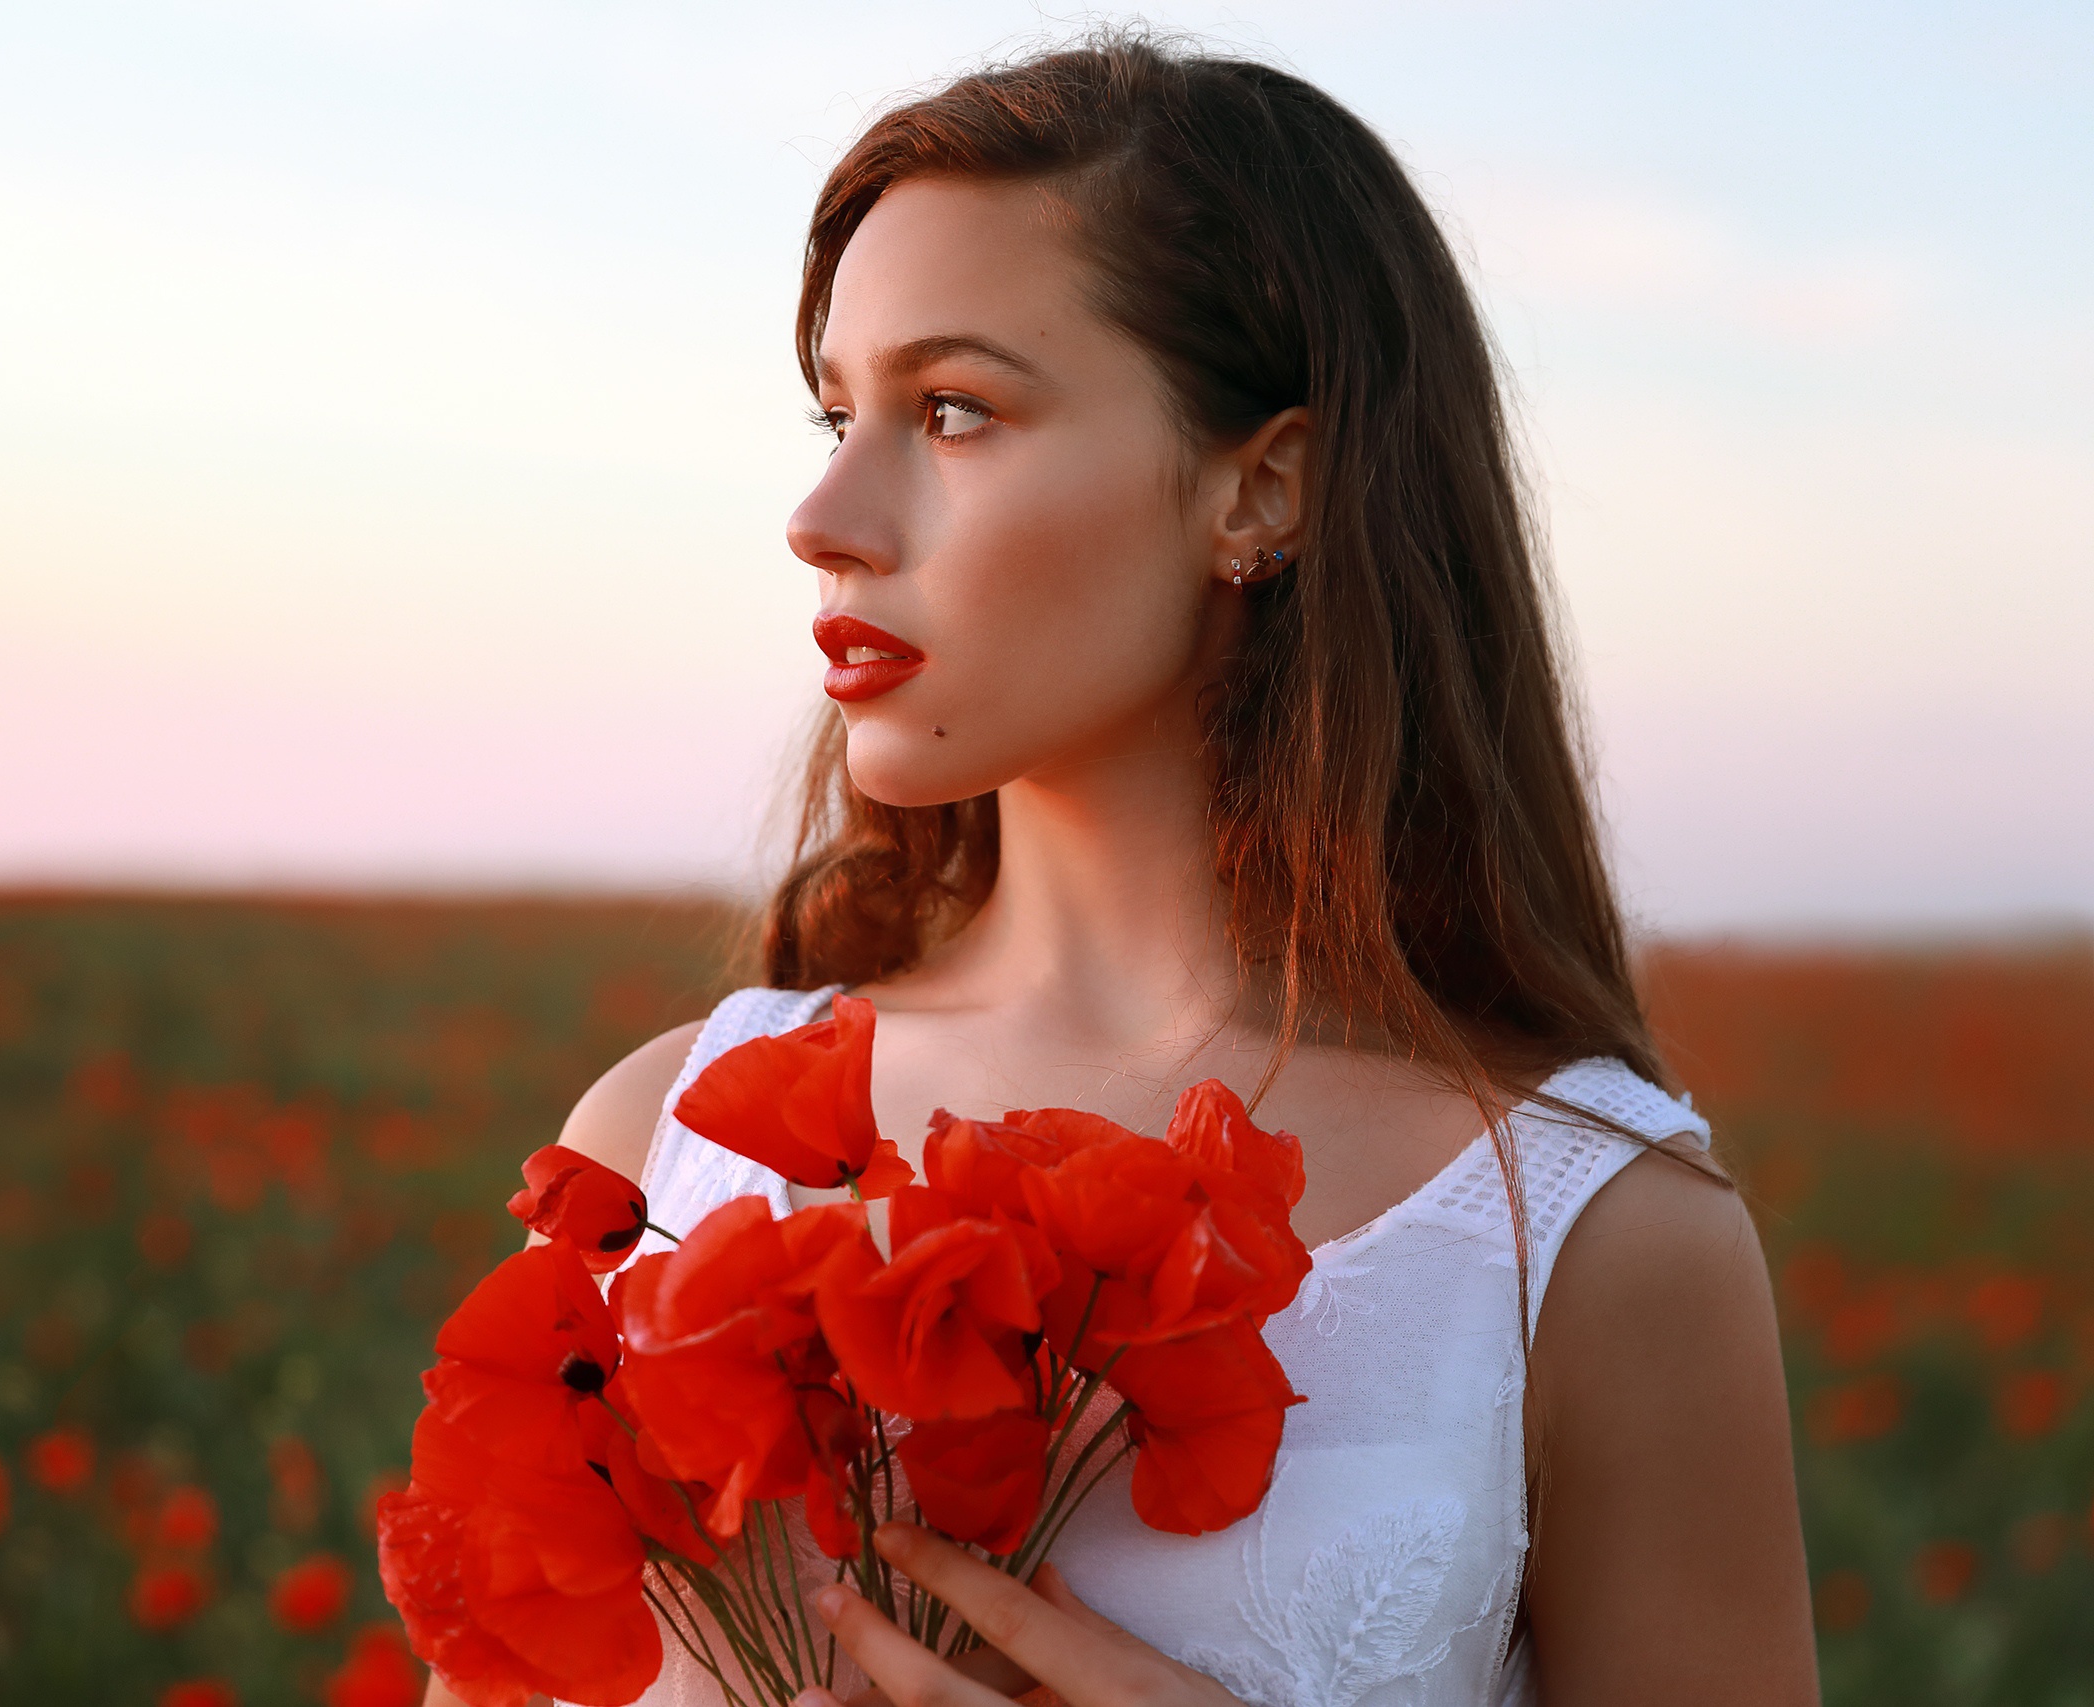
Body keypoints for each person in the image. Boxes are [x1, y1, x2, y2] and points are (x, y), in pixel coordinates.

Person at [439, 31, 1816, 1707]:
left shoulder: (1585, 1243)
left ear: (1264, 490)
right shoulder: (660, 1147)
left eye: (951, 411)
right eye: (834, 409)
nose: (822, 513)